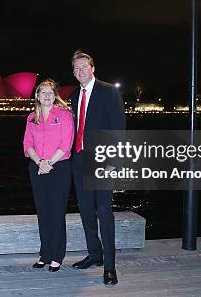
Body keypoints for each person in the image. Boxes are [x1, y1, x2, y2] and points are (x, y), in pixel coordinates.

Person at [69, 50, 126, 285]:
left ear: (93, 68)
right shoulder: (74, 95)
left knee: (104, 211)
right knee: (85, 211)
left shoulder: (108, 90)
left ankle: (110, 266)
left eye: (84, 67)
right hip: (80, 159)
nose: (80, 71)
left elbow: (119, 128)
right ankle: (95, 254)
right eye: (76, 68)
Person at [23, 79, 74, 272]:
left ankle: (57, 256)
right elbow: (27, 144)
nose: (46, 96)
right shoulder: (31, 118)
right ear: (37, 96)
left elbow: (65, 144)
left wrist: (49, 163)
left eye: (50, 93)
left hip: (58, 168)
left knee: (57, 212)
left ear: (55, 96)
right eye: (42, 92)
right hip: (37, 168)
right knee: (43, 213)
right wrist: (39, 162)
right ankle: (44, 254)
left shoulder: (64, 115)